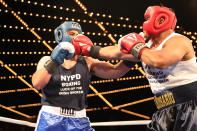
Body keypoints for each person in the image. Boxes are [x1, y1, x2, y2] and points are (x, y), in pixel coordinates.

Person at [74, 5, 197, 131]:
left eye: (147, 18)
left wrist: (136, 47)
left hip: (191, 108)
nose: (144, 23)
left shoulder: (179, 41)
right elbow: (115, 58)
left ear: (160, 20)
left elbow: (160, 60)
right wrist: (89, 50)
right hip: (164, 110)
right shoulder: (146, 47)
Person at [32, 21, 130, 131]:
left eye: (78, 34)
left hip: (79, 119)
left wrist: (134, 55)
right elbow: (37, 84)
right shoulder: (47, 60)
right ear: (61, 35)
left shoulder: (88, 62)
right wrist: (54, 62)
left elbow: (116, 71)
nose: (76, 37)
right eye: (72, 34)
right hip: (51, 118)